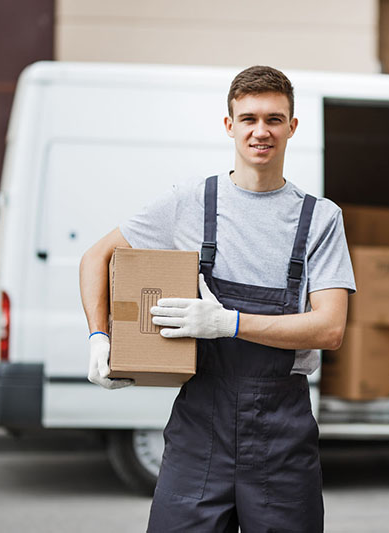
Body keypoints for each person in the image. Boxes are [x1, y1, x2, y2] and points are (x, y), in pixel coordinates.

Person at [79, 65, 355, 532]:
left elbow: (329, 328)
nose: (261, 131)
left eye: (273, 119)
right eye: (248, 119)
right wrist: (99, 337)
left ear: (292, 126)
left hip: (280, 432)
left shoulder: (320, 218)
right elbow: (95, 257)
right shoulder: (190, 202)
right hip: (199, 427)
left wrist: (229, 323)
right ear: (230, 126)